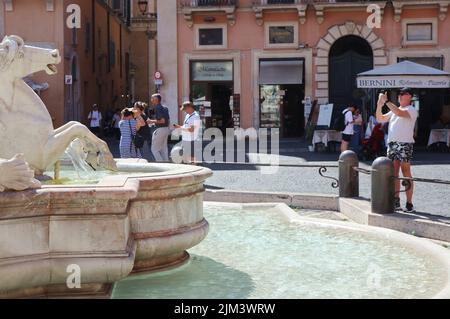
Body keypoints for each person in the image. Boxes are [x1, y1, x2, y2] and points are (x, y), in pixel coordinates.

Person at [376, 88, 418, 213]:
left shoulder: (411, 109)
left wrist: (387, 101)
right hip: (392, 144)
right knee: (394, 173)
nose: (400, 96)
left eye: (403, 94)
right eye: (399, 94)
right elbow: (380, 119)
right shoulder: (394, 110)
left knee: (406, 172)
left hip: (405, 144)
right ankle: (396, 200)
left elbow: (399, 113)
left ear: (410, 96)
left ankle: (409, 202)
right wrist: (379, 104)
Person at [148, 94, 170, 162]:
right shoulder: (165, 108)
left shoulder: (158, 107)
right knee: (164, 149)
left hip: (160, 129)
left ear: (156, 100)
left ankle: (161, 163)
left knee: (154, 149)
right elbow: (168, 120)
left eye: (152, 99)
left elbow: (162, 121)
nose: (151, 100)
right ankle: (167, 164)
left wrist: (151, 121)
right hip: (166, 129)